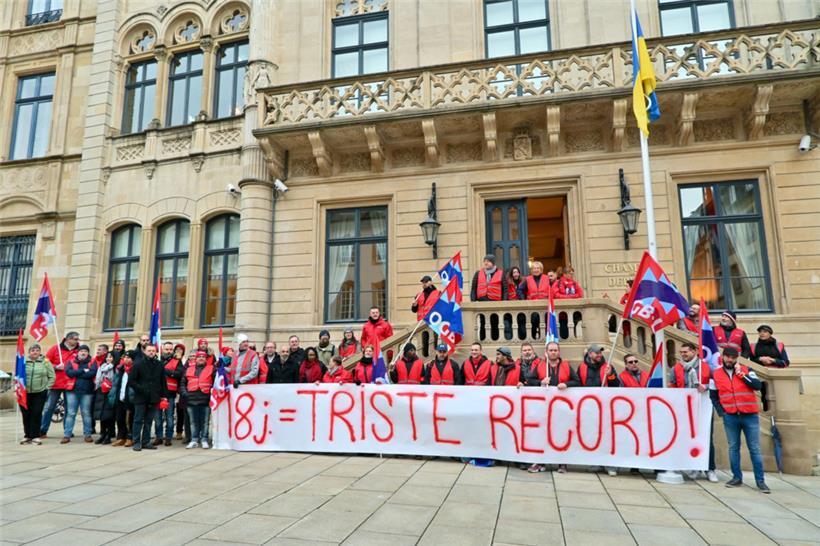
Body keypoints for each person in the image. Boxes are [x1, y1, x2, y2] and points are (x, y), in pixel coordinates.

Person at [713, 347, 769, 493]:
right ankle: (736, 477)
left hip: (749, 415)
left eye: (733, 357)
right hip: (730, 416)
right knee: (733, 448)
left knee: (755, 449)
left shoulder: (747, 369)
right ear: (723, 357)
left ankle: (760, 481)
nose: (730, 360)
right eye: (727, 357)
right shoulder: (716, 374)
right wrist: (722, 412)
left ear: (737, 358)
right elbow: (714, 396)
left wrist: (741, 375)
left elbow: (757, 385)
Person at [670, 342, 717, 483]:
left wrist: (706, 386)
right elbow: (672, 384)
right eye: (681, 352)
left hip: (703, 407)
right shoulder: (676, 368)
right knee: (686, 437)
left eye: (686, 352)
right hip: (684, 407)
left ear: (694, 352)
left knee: (706, 438)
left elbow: (717, 383)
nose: (683, 354)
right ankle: (692, 465)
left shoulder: (706, 367)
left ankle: (710, 468)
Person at [543, 341, 578, 474]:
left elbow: (578, 381)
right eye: (551, 350)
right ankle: (542, 462)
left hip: (562, 407)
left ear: (559, 352)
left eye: (555, 350)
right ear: (546, 352)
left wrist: (567, 384)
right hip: (545, 407)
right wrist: (540, 382)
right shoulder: (542, 366)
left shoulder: (566, 366)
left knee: (561, 435)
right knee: (545, 434)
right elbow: (530, 380)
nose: (553, 352)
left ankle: (562, 463)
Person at [40, 331, 79, 438]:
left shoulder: (79, 349)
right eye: (75, 339)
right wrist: (56, 366)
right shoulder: (55, 348)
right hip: (56, 383)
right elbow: (45, 362)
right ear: (68, 339)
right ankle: (43, 430)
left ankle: (67, 430)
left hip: (70, 383)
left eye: (77, 339)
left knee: (69, 408)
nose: (77, 341)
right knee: (49, 407)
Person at [128, 344, 167, 451]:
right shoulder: (138, 364)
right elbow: (131, 381)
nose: (151, 352)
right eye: (149, 350)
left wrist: (164, 396)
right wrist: (141, 389)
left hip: (154, 397)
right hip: (141, 397)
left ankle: (146, 441)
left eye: (153, 351)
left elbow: (163, 381)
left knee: (149, 421)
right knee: (138, 420)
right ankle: (136, 441)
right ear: (145, 351)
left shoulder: (159, 364)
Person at [62, 344, 97, 444]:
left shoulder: (92, 361)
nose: (83, 353)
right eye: (81, 351)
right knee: (71, 413)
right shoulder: (71, 361)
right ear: (78, 352)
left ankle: (88, 434)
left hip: (87, 391)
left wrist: (77, 373)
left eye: (85, 351)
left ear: (88, 353)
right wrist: (82, 371)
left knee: (86, 413)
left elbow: (92, 373)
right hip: (72, 391)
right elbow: (69, 373)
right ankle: (67, 435)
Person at [19, 344, 54, 445]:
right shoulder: (23, 362)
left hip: (39, 392)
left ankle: (35, 436)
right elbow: (17, 375)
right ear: (29, 352)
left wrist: (47, 387)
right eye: (33, 350)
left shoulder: (46, 362)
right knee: (26, 414)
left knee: (36, 413)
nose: (35, 352)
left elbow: (52, 376)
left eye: (37, 350)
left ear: (40, 352)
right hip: (24, 393)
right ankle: (27, 435)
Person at [180, 350, 214, 449]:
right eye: (199, 357)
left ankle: (204, 439)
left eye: (203, 357)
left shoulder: (212, 369)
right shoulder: (188, 369)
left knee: (205, 422)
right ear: (196, 359)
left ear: (206, 359)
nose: (201, 358)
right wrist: (185, 393)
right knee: (193, 422)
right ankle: (194, 439)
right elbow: (182, 383)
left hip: (206, 399)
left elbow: (216, 382)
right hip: (191, 399)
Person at [155, 343, 184, 446]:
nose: (169, 351)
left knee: (170, 417)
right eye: (167, 349)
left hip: (170, 392)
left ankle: (168, 437)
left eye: (171, 349)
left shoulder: (177, 361)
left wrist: (166, 371)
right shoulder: (157, 359)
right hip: (158, 392)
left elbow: (179, 374)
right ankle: (158, 437)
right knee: (158, 417)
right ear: (163, 349)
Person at [93, 351, 117, 445]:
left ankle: (109, 435)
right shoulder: (102, 366)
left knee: (109, 415)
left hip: (110, 392)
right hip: (101, 391)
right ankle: (102, 434)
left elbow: (115, 379)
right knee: (102, 415)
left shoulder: (115, 367)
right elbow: (98, 378)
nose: (108, 359)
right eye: (107, 357)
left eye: (111, 357)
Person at [111, 351, 133, 447]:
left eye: (129, 358)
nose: (126, 359)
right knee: (119, 418)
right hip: (120, 397)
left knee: (129, 420)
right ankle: (121, 437)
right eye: (125, 358)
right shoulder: (120, 369)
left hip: (130, 398)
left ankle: (130, 437)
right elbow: (116, 383)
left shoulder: (134, 370)